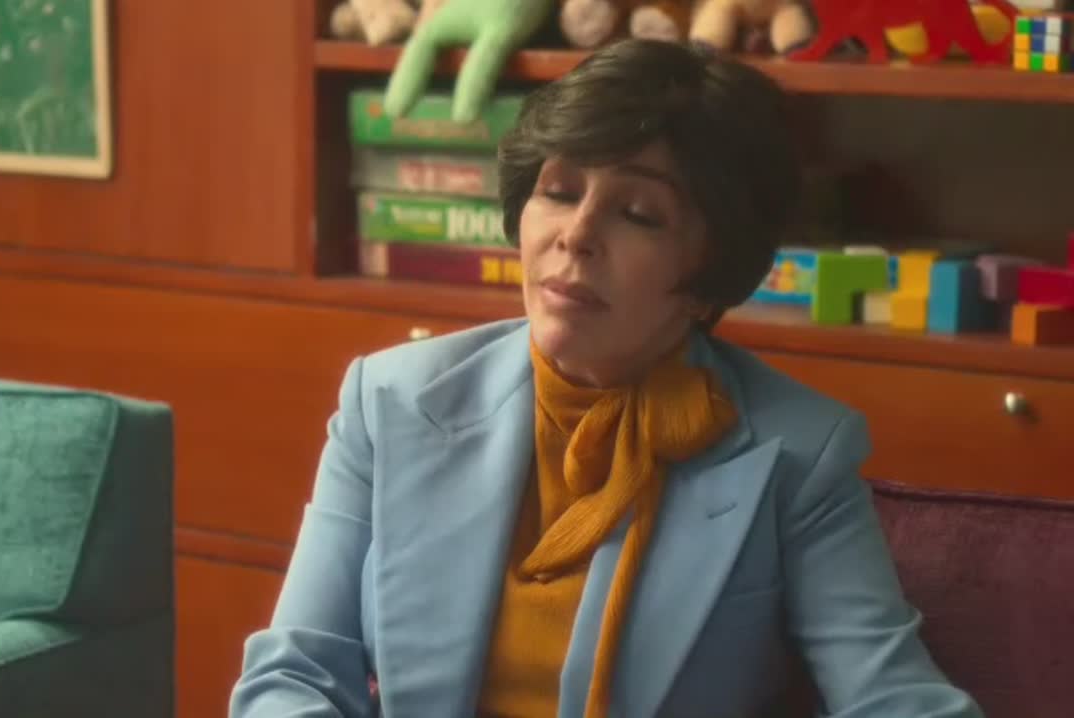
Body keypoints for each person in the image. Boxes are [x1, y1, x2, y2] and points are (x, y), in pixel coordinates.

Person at [231, 38, 983, 718]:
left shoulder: (799, 452)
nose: (577, 235)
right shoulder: (390, 402)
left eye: (639, 214)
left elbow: (894, 699)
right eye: (559, 192)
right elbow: (294, 675)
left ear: (709, 275)